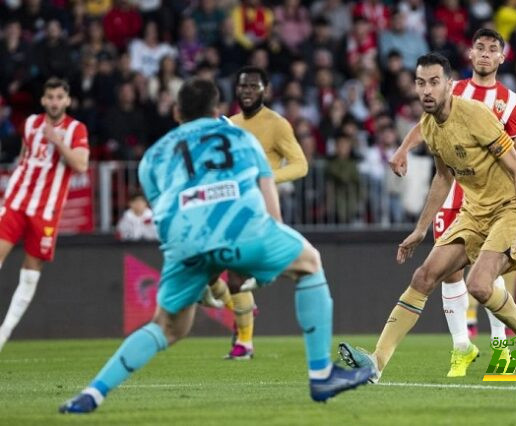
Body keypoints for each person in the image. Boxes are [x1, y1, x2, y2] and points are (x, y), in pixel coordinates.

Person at [59, 78, 373, 414]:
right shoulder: (240, 137)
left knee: (167, 326)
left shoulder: (153, 156)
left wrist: (203, 275)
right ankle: (321, 373)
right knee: (309, 263)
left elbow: (164, 217)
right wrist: (263, 258)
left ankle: (91, 394)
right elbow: (268, 197)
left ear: (177, 112)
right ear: (218, 110)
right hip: (245, 230)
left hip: (185, 244)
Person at [338, 53, 516, 384]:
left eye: (434, 82)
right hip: (473, 212)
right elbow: (443, 178)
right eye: (421, 83)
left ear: (449, 85)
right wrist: (421, 228)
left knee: (478, 284)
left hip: (507, 208)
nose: (426, 90)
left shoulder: (475, 115)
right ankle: (376, 362)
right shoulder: (428, 126)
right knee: (424, 276)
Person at [203, 66, 308, 360]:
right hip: (230, 207)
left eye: (253, 87)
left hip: (258, 209)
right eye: (243, 87)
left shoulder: (277, 124)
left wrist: (265, 177)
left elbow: (301, 165)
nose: (247, 92)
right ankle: (244, 309)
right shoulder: (230, 124)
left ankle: (244, 344)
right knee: (208, 276)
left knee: (235, 279)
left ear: (265, 90)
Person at [0, 77, 89, 351]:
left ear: (67, 100)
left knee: (30, 271)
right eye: (49, 97)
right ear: (42, 100)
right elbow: (25, 156)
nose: (54, 102)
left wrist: (58, 143)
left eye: (59, 97)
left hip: (46, 211)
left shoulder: (75, 128)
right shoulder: (29, 124)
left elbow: (81, 165)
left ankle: (3, 335)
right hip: (16, 200)